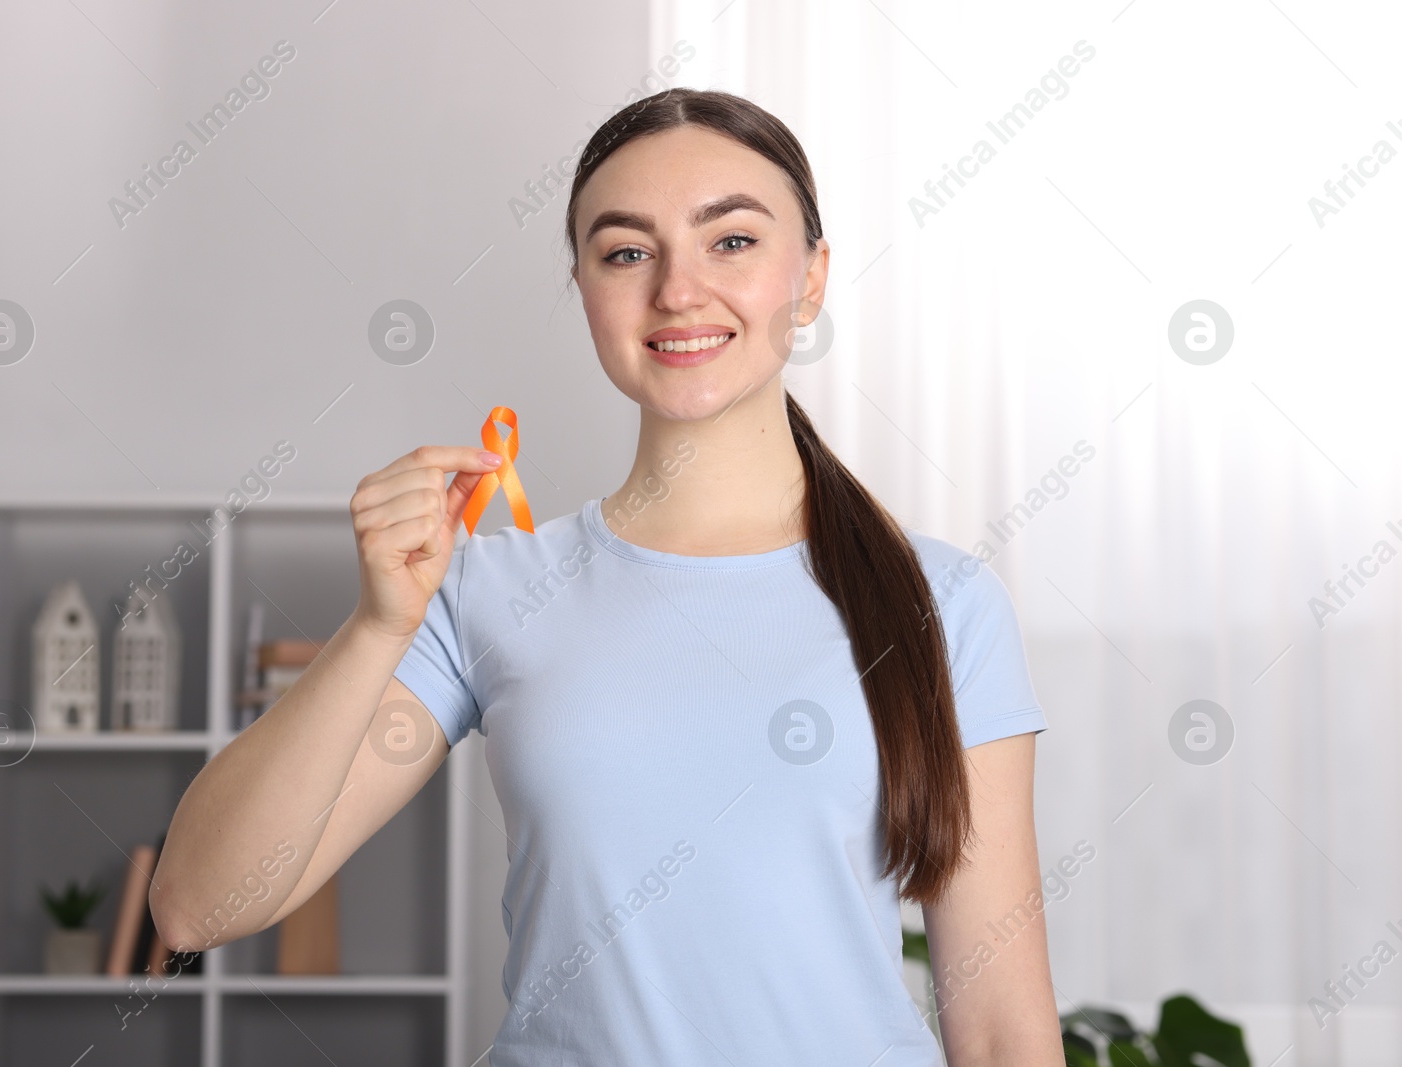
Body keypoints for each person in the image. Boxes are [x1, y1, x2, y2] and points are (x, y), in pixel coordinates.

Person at [152, 87, 1062, 1064]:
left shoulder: (942, 602)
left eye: (732, 241)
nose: (676, 289)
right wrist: (377, 626)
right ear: (584, 286)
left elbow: (1005, 1029)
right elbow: (199, 903)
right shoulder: (489, 587)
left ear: (810, 279)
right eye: (626, 251)